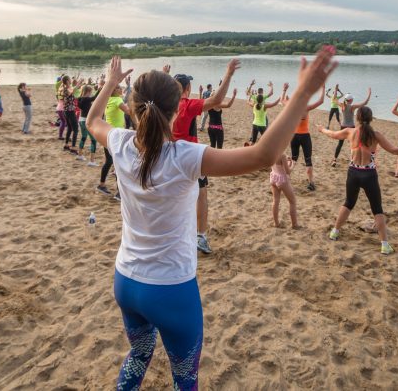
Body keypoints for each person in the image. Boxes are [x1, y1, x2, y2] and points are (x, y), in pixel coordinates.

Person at [86, 48, 336, 389]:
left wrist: (110, 83)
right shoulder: (185, 156)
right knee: (185, 379)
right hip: (171, 289)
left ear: (131, 108)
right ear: (177, 112)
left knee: (139, 355)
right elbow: (263, 155)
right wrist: (303, 94)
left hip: (126, 282)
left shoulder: (120, 142)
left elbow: (91, 121)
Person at [319, 106, 398, 254]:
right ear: (371, 118)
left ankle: (334, 232)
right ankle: (384, 245)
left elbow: (333, 134)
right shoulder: (376, 135)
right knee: (377, 209)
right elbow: (395, 150)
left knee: (348, 203)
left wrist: (322, 129)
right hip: (369, 175)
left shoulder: (350, 132)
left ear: (357, 118)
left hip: (353, 172)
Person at [169, 60, 241, 255]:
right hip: (191, 157)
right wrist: (228, 74)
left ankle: (177, 234)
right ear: (188, 88)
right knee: (202, 194)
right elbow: (217, 100)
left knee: (177, 197)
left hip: (169, 157)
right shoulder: (187, 104)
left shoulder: (166, 105)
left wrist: (164, 75)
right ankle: (200, 236)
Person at [281, 82, 324, 191]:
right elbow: (321, 101)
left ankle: (286, 179)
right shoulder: (306, 108)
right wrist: (323, 88)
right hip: (305, 136)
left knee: (294, 158)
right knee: (308, 160)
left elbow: (282, 101)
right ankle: (311, 183)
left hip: (294, 136)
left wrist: (284, 90)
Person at [99, 83, 131, 195]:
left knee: (109, 161)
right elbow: (129, 111)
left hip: (107, 133)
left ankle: (101, 185)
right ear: (113, 90)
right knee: (118, 163)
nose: (121, 89)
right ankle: (119, 193)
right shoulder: (117, 100)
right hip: (115, 136)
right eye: (118, 87)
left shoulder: (109, 100)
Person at [331, 89, 371, 167]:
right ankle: (353, 160)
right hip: (351, 128)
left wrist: (336, 90)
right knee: (353, 144)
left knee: (340, 144)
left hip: (343, 127)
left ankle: (334, 159)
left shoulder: (343, 105)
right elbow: (365, 102)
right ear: (351, 100)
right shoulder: (353, 107)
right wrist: (369, 94)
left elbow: (334, 99)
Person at [270, 152, 299, 228]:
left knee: (275, 201)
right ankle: (294, 224)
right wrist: (293, 164)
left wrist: (287, 160)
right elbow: (288, 172)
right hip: (282, 180)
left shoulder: (271, 152)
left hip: (274, 177)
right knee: (292, 201)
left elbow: (280, 166)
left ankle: (276, 223)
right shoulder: (282, 155)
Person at [75, 85, 98, 165]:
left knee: (84, 137)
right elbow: (95, 97)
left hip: (81, 120)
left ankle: (80, 155)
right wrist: (101, 89)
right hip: (87, 121)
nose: (91, 94)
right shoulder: (86, 99)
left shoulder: (79, 98)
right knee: (93, 140)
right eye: (90, 92)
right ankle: (92, 161)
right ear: (88, 92)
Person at [60, 75, 80, 154]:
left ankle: (66, 145)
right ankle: (73, 148)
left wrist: (77, 83)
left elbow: (73, 89)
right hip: (69, 111)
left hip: (67, 111)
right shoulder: (66, 89)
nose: (71, 80)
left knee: (70, 128)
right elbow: (72, 91)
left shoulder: (67, 88)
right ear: (67, 81)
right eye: (69, 79)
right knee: (75, 129)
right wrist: (78, 83)